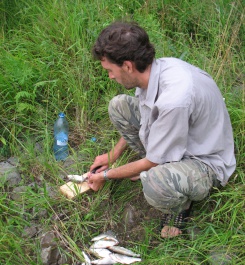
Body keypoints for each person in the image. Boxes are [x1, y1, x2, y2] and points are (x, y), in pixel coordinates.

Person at [87, 21, 236, 238]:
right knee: (119, 105)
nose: (110, 76)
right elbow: (148, 115)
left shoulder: (174, 99)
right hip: (181, 135)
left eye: (110, 70)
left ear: (127, 66)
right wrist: (114, 154)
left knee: (155, 181)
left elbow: (154, 162)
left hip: (205, 160)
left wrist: (106, 176)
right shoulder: (153, 71)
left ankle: (180, 206)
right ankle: (157, 170)